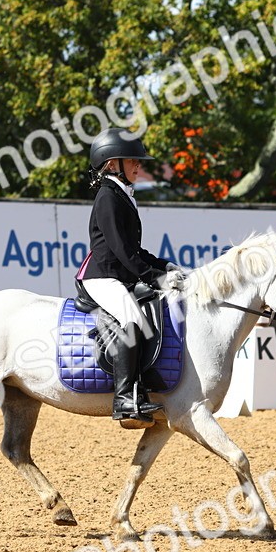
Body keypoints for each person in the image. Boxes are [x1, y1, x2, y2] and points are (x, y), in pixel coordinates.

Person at [77, 128, 187, 429]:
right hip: (103, 277)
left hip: (118, 275)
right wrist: (155, 277)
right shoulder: (108, 197)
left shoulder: (121, 195)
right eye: (132, 160)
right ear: (112, 164)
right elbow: (123, 252)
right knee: (132, 320)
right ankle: (125, 398)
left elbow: (136, 250)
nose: (139, 165)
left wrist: (164, 266)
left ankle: (142, 382)